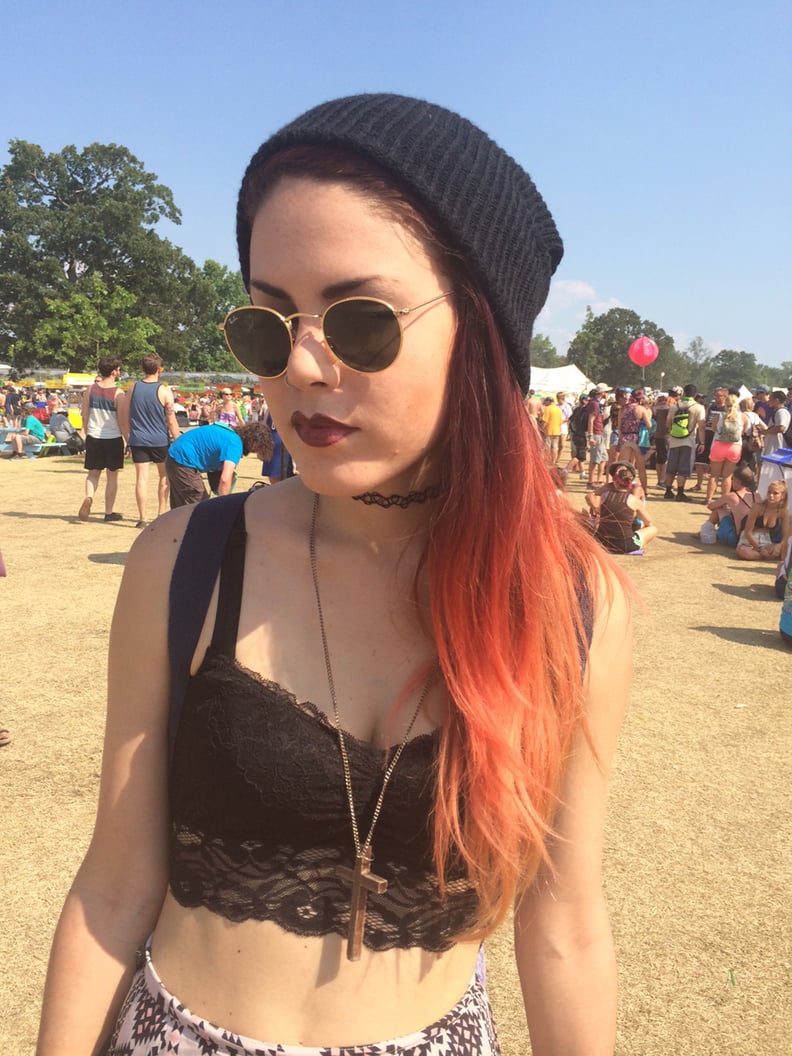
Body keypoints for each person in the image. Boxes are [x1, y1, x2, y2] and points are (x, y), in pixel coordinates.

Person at [37, 93, 631, 1056]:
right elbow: (112, 889)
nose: (304, 366)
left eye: (360, 321)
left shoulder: (571, 604)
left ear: (481, 329)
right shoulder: (186, 561)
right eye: (269, 325)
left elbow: (563, 925)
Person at [121, 352, 181, 528]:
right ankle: (161, 513)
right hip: (159, 440)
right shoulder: (163, 390)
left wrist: (128, 438)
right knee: (164, 476)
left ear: (142, 369)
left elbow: (124, 416)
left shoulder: (133, 388)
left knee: (141, 479)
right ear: (159, 370)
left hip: (138, 439)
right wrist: (177, 439)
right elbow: (171, 420)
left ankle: (142, 517)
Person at [165, 419, 273, 507]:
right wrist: (223, 508)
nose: (255, 451)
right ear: (253, 441)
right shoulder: (235, 444)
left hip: (175, 456)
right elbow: (225, 480)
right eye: (258, 447)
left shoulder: (230, 434)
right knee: (198, 504)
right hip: (182, 460)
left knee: (181, 506)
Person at [78, 357, 128, 522]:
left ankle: (89, 497)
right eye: (119, 370)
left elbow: (84, 414)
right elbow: (122, 421)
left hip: (93, 436)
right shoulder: (118, 394)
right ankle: (108, 512)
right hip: (112, 438)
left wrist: (85, 432)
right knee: (112, 476)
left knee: (93, 474)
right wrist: (127, 440)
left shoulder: (90, 389)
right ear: (114, 371)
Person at [586, 461, 657, 554]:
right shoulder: (612, 488)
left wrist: (601, 510)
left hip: (629, 525)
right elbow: (646, 520)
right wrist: (596, 508)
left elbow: (630, 513)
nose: (620, 470)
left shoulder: (636, 488)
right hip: (624, 541)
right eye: (618, 469)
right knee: (653, 528)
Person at [664, 384, 706, 501]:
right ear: (695, 394)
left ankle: (668, 491)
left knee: (671, 467)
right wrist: (702, 443)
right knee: (683, 467)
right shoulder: (698, 407)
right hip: (688, 441)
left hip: (674, 440)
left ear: (684, 393)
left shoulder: (675, 406)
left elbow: (668, 424)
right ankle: (680, 492)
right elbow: (701, 426)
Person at [706, 394, 747, 504]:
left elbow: (714, 429)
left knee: (714, 475)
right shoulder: (742, 417)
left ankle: (709, 498)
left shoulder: (719, 416)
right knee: (727, 476)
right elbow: (743, 431)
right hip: (735, 446)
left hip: (719, 445)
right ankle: (724, 500)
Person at [702, 465, 756, 546]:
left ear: (737, 481)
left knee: (719, 508)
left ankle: (707, 535)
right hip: (752, 537)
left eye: (732, 479)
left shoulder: (731, 496)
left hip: (735, 538)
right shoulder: (757, 496)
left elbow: (711, 506)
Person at [735, 481, 790, 561]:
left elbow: (786, 536)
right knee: (743, 552)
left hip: (767, 540)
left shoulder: (783, 512)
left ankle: (765, 556)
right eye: (769, 492)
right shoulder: (757, 507)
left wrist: (779, 545)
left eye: (775, 493)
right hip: (750, 539)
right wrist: (759, 548)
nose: (771, 496)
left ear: (782, 496)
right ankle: (768, 557)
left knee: (785, 549)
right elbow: (747, 532)